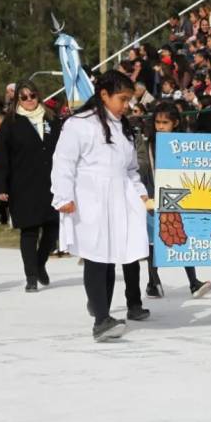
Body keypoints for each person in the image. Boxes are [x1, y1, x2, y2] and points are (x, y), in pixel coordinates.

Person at [51, 70, 150, 342]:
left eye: (129, 99)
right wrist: (63, 196)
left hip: (118, 198)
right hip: (89, 198)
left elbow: (130, 168)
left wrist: (140, 194)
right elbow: (63, 162)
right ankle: (101, 319)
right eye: (122, 98)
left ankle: (100, 307)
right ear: (104, 94)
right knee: (96, 256)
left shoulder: (123, 127)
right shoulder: (79, 124)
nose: (126, 105)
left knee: (110, 257)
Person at [0, 79, 62, 292]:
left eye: (32, 95)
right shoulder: (11, 123)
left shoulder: (52, 119)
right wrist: (0, 187)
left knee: (53, 228)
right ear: (17, 100)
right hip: (23, 184)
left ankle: (40, 264)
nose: (29, 100)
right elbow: (1, 157)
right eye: (23, 97)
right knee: (29, 231)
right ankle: (31, 276)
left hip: (52, 183)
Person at [138, 102, 211, 299]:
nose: (160, 126)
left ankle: (193, 283)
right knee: (153, 243)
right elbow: (140, 171)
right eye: (157, 122)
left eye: (165, 122)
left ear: (175, 123)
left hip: (180, 200)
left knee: (183, 239)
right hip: (153, 198)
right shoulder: (147, 145)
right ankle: (153, 281)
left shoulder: (184, 145)